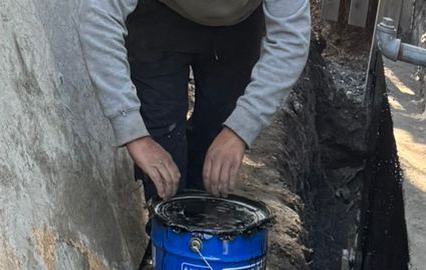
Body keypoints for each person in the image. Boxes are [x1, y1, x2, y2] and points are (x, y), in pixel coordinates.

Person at [79, 0, 308, 201]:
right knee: (162, 165)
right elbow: (98, 19)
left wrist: (240, 129)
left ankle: (202, 222)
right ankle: (160, 237)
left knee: (215, 147)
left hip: (238, 26)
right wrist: (134, 133)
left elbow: (290, 40)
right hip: (159, 19)